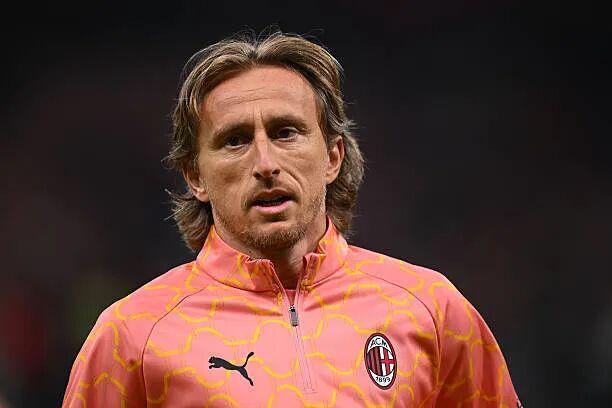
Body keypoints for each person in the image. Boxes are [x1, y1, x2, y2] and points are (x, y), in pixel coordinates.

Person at [63, 31, 521, 407]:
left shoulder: (432, 309)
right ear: (195, 175)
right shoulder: (133, 336)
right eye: (235, 140)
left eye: (286, 132)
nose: (265, 163)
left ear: (333, 157)